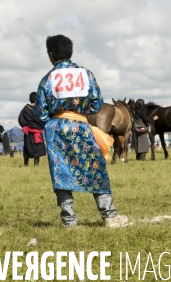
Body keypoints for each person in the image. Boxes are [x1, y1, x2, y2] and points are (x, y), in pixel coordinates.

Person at [33, 35, 128, 228]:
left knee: (60, 172)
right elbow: (97, 105)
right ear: (71, 52)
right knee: (96, 168)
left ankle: (69, 220)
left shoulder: (47, 79)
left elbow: (40, 112)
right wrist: (81, 114)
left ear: (50, 55)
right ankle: (109, 216)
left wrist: (57, 118)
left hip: (56, 128)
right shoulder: (87, 75)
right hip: (81, 127)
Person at [18, 92, 47, 166]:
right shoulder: (40, 109)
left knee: (27, 148)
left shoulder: (25, 109)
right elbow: (43, 120)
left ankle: (26, 164)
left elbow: (20, 120)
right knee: (37, 149)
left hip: (28, 132)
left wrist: (26, 126)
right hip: (37, 132)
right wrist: (39, 126)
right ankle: (36, 164)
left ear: (29, 99)